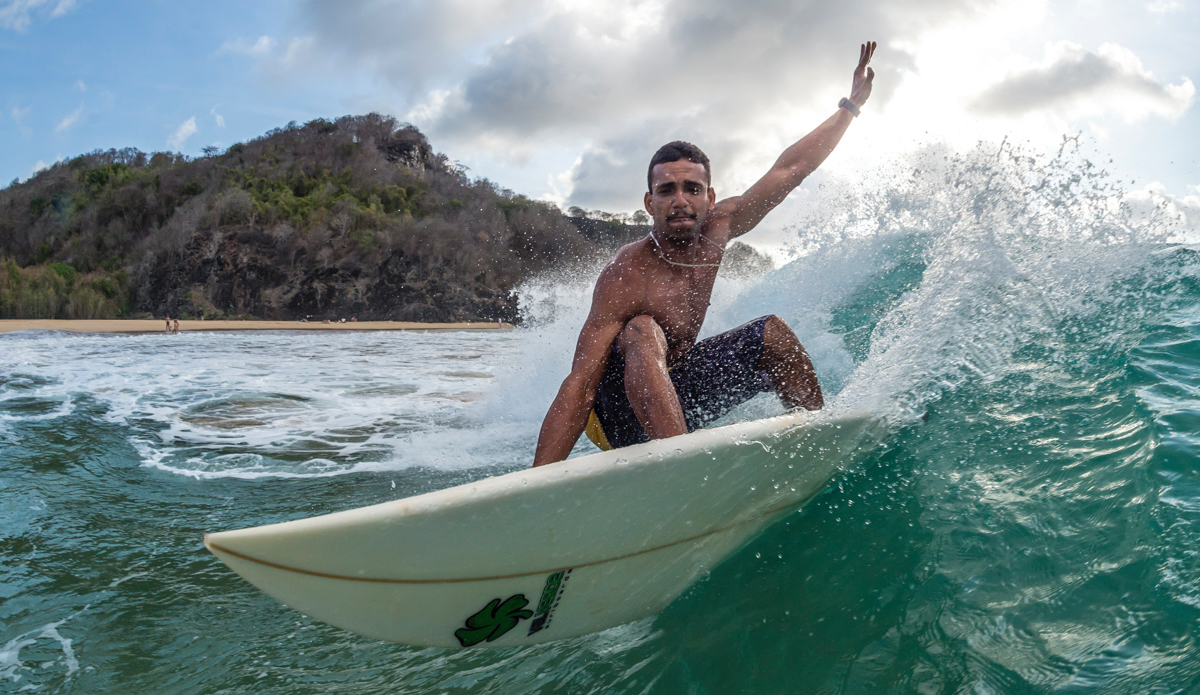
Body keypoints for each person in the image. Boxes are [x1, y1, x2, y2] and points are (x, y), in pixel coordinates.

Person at [532, 42, 877, 467]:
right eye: (667, 190)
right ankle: (683, 469)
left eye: (692, 189)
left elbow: (790, 169)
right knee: (641, 330)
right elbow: (580, 383)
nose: (680, 200)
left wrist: (850, 106)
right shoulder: (626, 273)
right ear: (649, 202)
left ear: (709, 197)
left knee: (774, 335)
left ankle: (819, 448)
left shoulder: (720, 228)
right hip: (617, 418)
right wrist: (536, 484)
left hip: (680, 398)